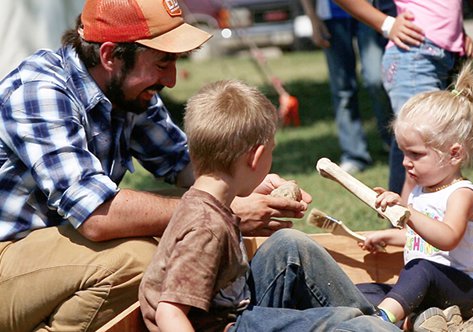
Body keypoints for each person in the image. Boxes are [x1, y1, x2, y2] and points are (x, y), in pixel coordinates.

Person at [0, 0, 313, 330]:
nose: (173, 79)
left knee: (178, 239)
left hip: (54, 250)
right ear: (110, 56)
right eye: (163, 61)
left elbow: (188, 164)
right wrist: (226, 211)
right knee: (137, 261)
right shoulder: (40, 90)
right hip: (9, 252)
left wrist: (245, 181)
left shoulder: (126, 87)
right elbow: (96, 215)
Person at [138, 79, 400, 332]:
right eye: (272, 150)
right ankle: (371, 325)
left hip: (233, 311)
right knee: (338, 321)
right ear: (257, 157)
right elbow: (168, 312)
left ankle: (375, 322)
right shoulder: (207, 227)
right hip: (226, 326)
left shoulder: (207, 204)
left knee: (289, 244)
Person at [356, 61, 473, 330]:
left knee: (420, 268)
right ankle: (423, 318)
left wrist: (408, 212)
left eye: (416, 154)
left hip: (467, 292)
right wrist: (387, 236)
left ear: (454, 154)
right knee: (365, 290)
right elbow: (420, 239)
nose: (406, 162)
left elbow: (447, 238)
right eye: (403, 152)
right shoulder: (421, 190)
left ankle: (381, 322)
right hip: (429, 287)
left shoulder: (462, 194)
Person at [332, 0, 473, 201]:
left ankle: (427, 220)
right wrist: (386, 24)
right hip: (415, 56)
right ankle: (405, 224)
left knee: (430, 142)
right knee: (419, 145)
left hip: (441, 54)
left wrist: (457, 32)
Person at [299, 0, 395, 174]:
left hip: (369, 9)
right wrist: (313, 18)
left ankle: (392, 141)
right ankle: (354, 155)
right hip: (332, 15)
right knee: (342, 88)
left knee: (377, 79)